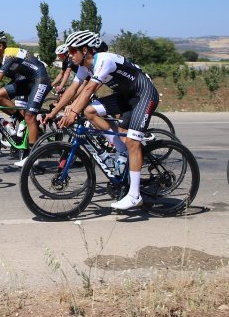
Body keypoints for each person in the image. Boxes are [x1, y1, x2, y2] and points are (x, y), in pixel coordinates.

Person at [52, 30, 159, 210]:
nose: (69, 56)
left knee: (132, 142)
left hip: (144, 95)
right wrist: (59, 110)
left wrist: (72, 113)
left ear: (84, 50)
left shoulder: (103, 60)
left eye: (72, 51)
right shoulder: (84, 66)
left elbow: (89, 90)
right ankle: (119, 146)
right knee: (90, 111)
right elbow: (74, 89)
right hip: (125, 96)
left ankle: (134, 195)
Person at [0, 31, 52, 167]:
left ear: (0, 47)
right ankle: (21, 119)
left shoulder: (9, 53)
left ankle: (33, 156)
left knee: (30, 116)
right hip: (27, 81)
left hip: (40, 79)